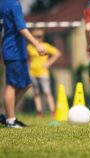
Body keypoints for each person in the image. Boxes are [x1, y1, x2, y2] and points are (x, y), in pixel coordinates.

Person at [0, 0, 46, 128]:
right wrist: (37, 44)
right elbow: (21, 28)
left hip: (15, 50)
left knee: (26, 84)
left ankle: (7, 114)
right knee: (11, 85)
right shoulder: (13, 4)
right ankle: (10, 121)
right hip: (14, 50)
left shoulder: (3, 4)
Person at [27, 29, 61, 117]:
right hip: (32, 73)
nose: (38, 38)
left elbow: (57, 53)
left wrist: (49, 63)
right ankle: (39, 112)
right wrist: (29, 63)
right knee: (36, 93)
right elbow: (27, 57)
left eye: (40, 36)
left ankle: (53, 111)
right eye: (36, 37)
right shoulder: (29, 47)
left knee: (47, 92)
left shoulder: (45, 46)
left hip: (43, 72)